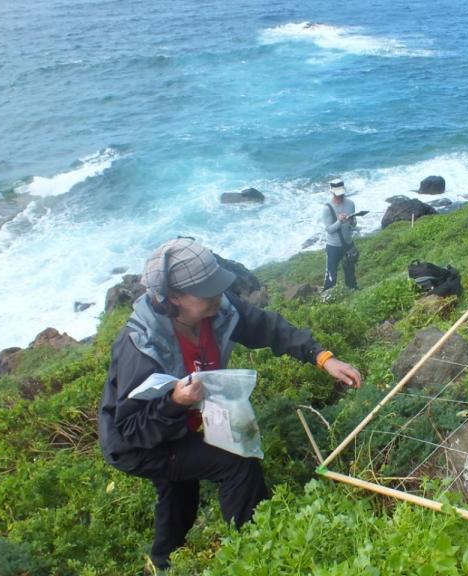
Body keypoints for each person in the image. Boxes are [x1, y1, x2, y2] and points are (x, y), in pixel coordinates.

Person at [98, 237, 361, 572]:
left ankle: (161, 564)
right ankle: (255, 552)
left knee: (179, 489)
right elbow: (130, 428)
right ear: (174, 297)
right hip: (139, 443)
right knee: (237, 463)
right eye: (206, 290)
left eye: (217, 286)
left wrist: (322, 358)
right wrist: (175, 402)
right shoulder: (140, 345)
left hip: (180, 424)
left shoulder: (218, 310)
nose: (218, 296)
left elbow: (268, 327)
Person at [321, 178, 358, 290]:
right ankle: (327, 295)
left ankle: (353, 290)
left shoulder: (350, 204)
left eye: (342, 193)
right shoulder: (327, 208)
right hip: (333, 246)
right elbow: (329, 229)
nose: (340, 196)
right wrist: (339, 222)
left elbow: (354, 224)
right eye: (338, 194)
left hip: (348, 243)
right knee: (331, 274)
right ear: (332, 192)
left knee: (350, 271)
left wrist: (352, 221)